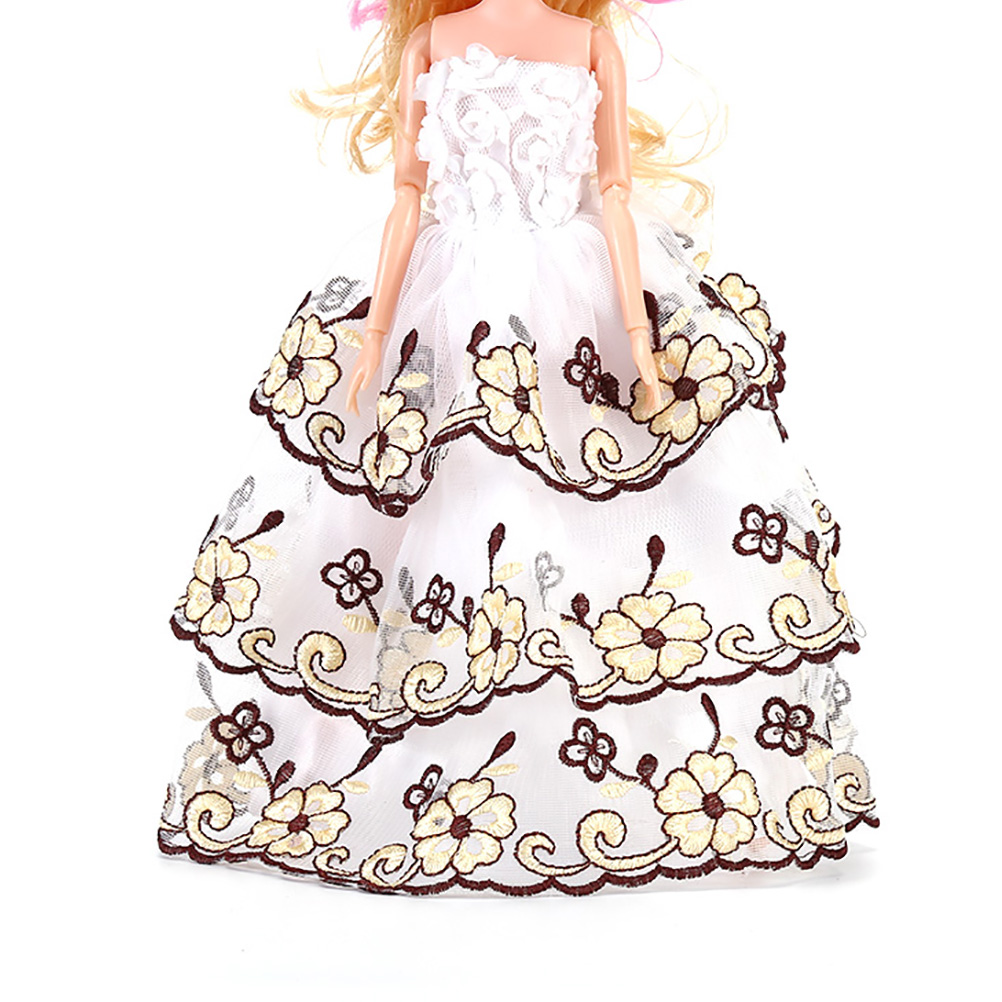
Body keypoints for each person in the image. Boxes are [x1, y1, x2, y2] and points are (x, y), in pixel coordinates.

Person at [157, 0, 879, 896]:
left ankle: (583, 744)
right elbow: (408, 196)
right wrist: (374, 332)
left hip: (566, 296)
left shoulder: (590, 45)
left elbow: (615, 193)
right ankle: (438, 744)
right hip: (451, 295)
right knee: (453, 497)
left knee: (581, 504)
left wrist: (638, 331)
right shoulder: (433, 43)